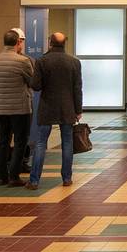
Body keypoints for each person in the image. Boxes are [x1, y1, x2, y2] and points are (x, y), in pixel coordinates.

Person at [28, 32, 83, 188]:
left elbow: (36, 85)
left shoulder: (42, 61)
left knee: (40, 143)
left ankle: (34, 180)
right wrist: (78, 109)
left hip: (47, 107)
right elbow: (77, 88)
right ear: (65, 43)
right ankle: (66, 178)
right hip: (68, 108)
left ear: (49, 43)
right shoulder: (74, 62)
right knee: (67, 142)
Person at [0, 29, 33, 186]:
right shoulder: (22, 61)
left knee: (2, 141)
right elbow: (32, 82)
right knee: (20, 141)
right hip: (20, 108)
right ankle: (14, 176)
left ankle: (1, 176)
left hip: (0, 107)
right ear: (18, 42)